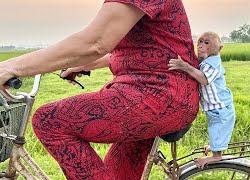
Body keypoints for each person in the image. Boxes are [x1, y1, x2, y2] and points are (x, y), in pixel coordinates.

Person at [0, 0, 199, 179]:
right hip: (162, 96)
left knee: (49, 121)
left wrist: (8, 67)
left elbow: (95, 42)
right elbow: (138, 50)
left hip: (156, 97)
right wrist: (85, 64)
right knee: (116, 175)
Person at [168, 31, 236, 169]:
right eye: (200, 42)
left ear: (219, 48)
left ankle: (216, 156)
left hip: (220, 107)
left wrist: (184, 66)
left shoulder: (214, 64)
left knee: (217, 127)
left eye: (207, 43)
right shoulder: (207, 61)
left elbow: (204, 79)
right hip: (213, 107)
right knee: (214, 129)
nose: (201, 46)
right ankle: (215, 146)